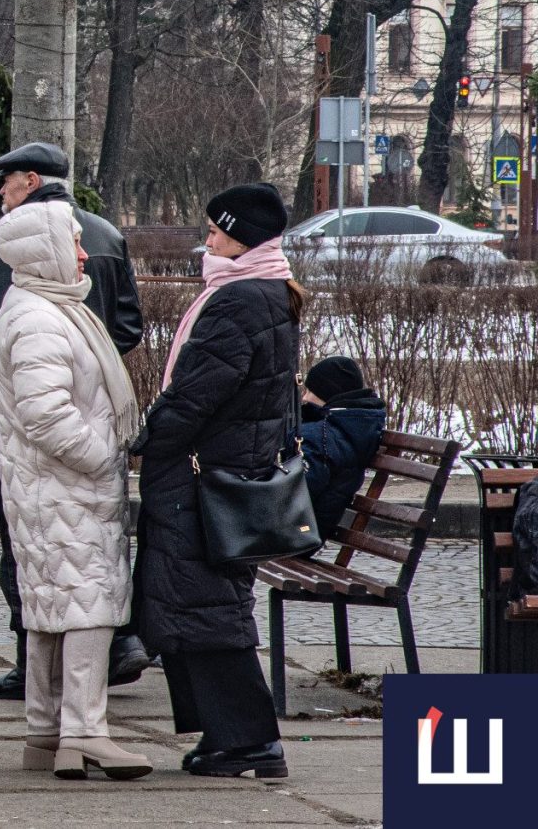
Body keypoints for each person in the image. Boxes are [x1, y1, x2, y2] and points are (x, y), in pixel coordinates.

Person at [0, 140, 148, 699]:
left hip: (47, 421)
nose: (0, 191)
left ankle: (39, 671)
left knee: (31, 543)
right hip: (96, 409)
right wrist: (91, 362)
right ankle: (113, 643)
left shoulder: (21, 242)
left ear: (31, 182)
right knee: (96, 545)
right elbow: (128, 326)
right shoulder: (106, 234)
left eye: (7, 181)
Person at [134, 181, 302, 780]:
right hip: (225, 473)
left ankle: (249, 740)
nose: (206, 241)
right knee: (199, 602)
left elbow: (198, 393)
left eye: (214, 231)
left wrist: (149, 440)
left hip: (206, 478)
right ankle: (225, 735)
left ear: (241, 237)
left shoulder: (240, 299)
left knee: (209, 607)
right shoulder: (266, 290)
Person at [0, 199, 155, 780]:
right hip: (66, 489)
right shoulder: (40, 318)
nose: (84, 254)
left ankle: (47, 731)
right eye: (73, 242)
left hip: (52, 489)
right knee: (88, 607)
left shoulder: (43, 307)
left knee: (52, 606)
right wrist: (103, 457)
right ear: (44, 251)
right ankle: (85, 731)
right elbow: (47, 415)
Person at [295, 355, 385, 536]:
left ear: (325, 394)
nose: (304, 397)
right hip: (306, 529)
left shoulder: (323, 437)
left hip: (296, 534)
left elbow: (296, 493)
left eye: (309, 391)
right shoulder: (347, 429)